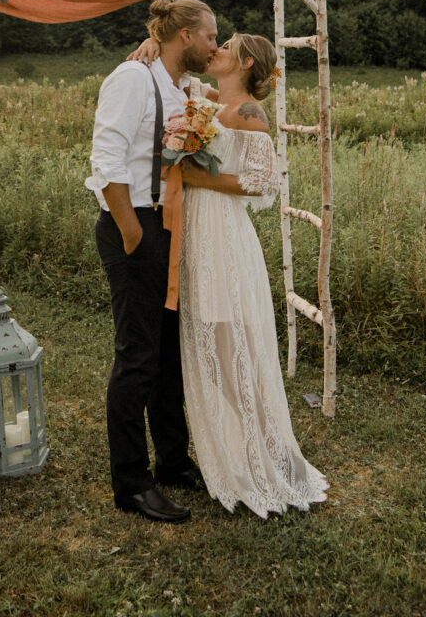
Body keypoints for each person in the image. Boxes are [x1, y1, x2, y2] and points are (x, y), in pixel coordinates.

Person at [130, 32, 329, 518]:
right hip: (194, 237)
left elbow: (265, 183)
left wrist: (198, 177)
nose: (214, 50)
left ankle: (274, 456)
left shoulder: (249, 114)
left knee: (228, 348)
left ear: (242, 62)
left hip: (223, 240)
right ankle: (254, 449)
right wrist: (150, 44)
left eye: (225, 46)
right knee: (213, 354)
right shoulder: (207, 99)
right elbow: (179, 74)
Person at [85, 0, 218, 523]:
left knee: (168, 353)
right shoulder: (132, 80)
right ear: (185, 35)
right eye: (210, 34)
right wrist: (133, 233)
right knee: (137, 356)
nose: (215, 42)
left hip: (168, 228)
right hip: (134, 226)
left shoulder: (180, 85)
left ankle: (172, 461)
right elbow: (106, 158)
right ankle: (131, 482)